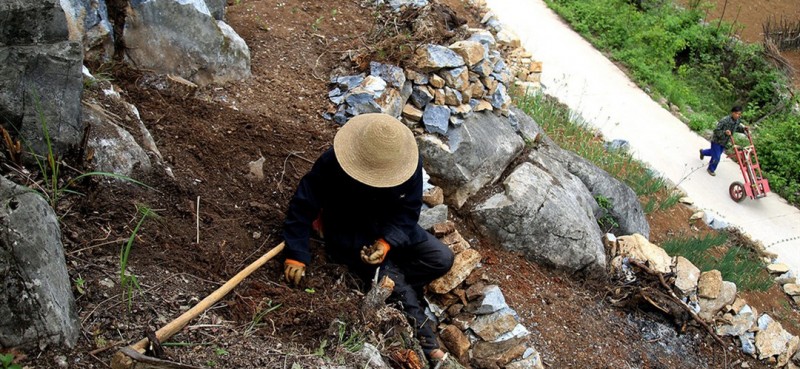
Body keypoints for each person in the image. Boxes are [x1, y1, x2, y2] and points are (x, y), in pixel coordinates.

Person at [281, 113, 454, 362]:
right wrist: (297, 253)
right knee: (393, 282)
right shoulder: (335, 161)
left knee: (442, 257)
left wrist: (386, 242)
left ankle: (394, 282)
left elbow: (409, 211)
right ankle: (428, 344)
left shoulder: (408, 163)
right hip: (349, 229)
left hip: (388, 225)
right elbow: (303, 203)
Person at [699, 105, 746, 176]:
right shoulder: (725, 120)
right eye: (736, 113)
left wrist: (744, 129)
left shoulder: (737, 121)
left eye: (739, 114)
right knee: (717, 157)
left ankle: (703, 152)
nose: (738, 115)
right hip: (717, 140)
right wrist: (725, 132)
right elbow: (716, 130)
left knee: (714, 153)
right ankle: (711, 169)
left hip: (724, 142)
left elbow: (737, 127)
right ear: (732, 113)